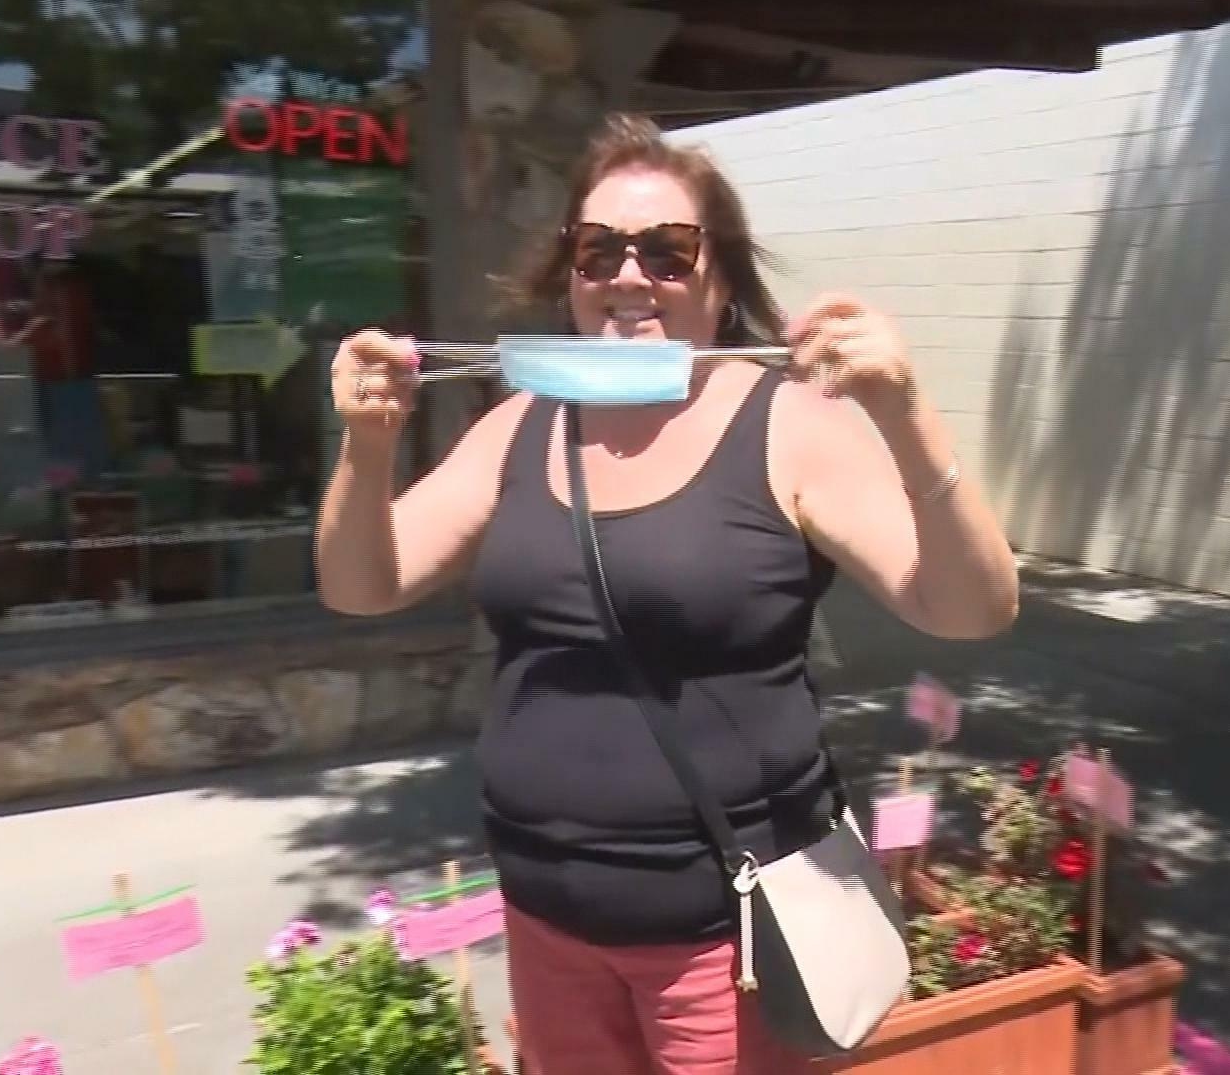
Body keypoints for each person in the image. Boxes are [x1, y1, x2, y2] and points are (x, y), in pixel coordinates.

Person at [314, 113, 1019, 1074]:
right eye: (599, 249)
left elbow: (972, 608)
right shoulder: (522, 425)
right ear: (569, 270)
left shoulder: (787, 426)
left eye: (667, 251)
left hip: (725, 943)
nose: (629, 275)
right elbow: (363, 584)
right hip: (547, 924)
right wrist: (367, 446)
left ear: (720, 277)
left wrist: (904, 413)